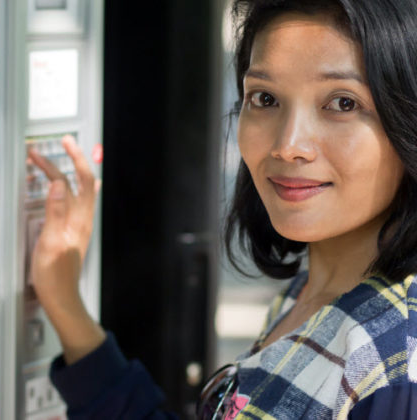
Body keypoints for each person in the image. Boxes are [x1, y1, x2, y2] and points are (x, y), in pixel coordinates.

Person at [28, 0, 417, 418]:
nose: (288, 144)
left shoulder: (397, 366)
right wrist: (63, 300)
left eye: (342, 103)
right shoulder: (311, 294)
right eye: (265, 98)